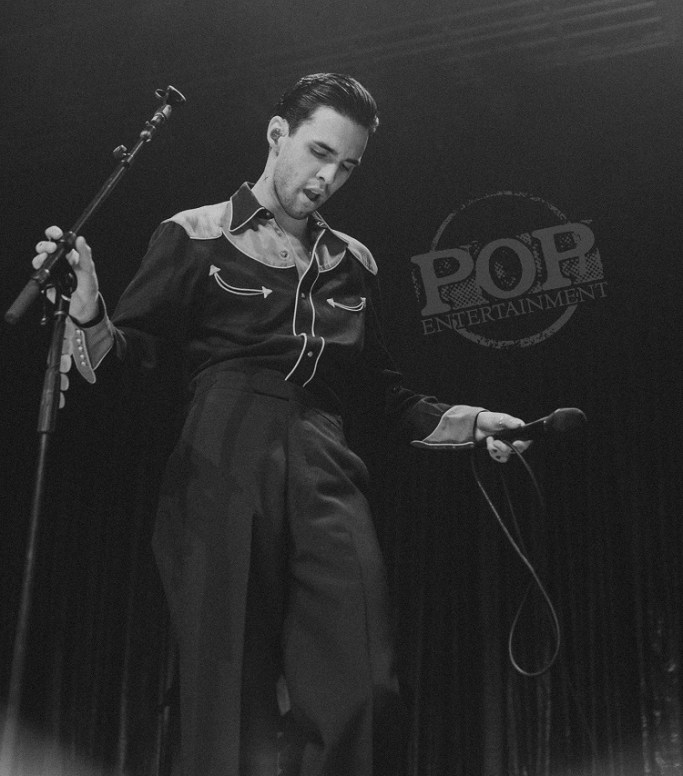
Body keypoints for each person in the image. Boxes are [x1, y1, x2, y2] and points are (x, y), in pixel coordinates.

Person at [33, 73, 528, 776]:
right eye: (320, 153)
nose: (328, 178)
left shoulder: (352, 263)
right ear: (276, 135)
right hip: (220, 462)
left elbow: (385, 397)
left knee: (365, 691)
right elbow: (131, 362)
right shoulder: (193, 234)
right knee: (226, 712)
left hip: (325, 466)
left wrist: (473, 422)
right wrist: (88, 311)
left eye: (347, 166)